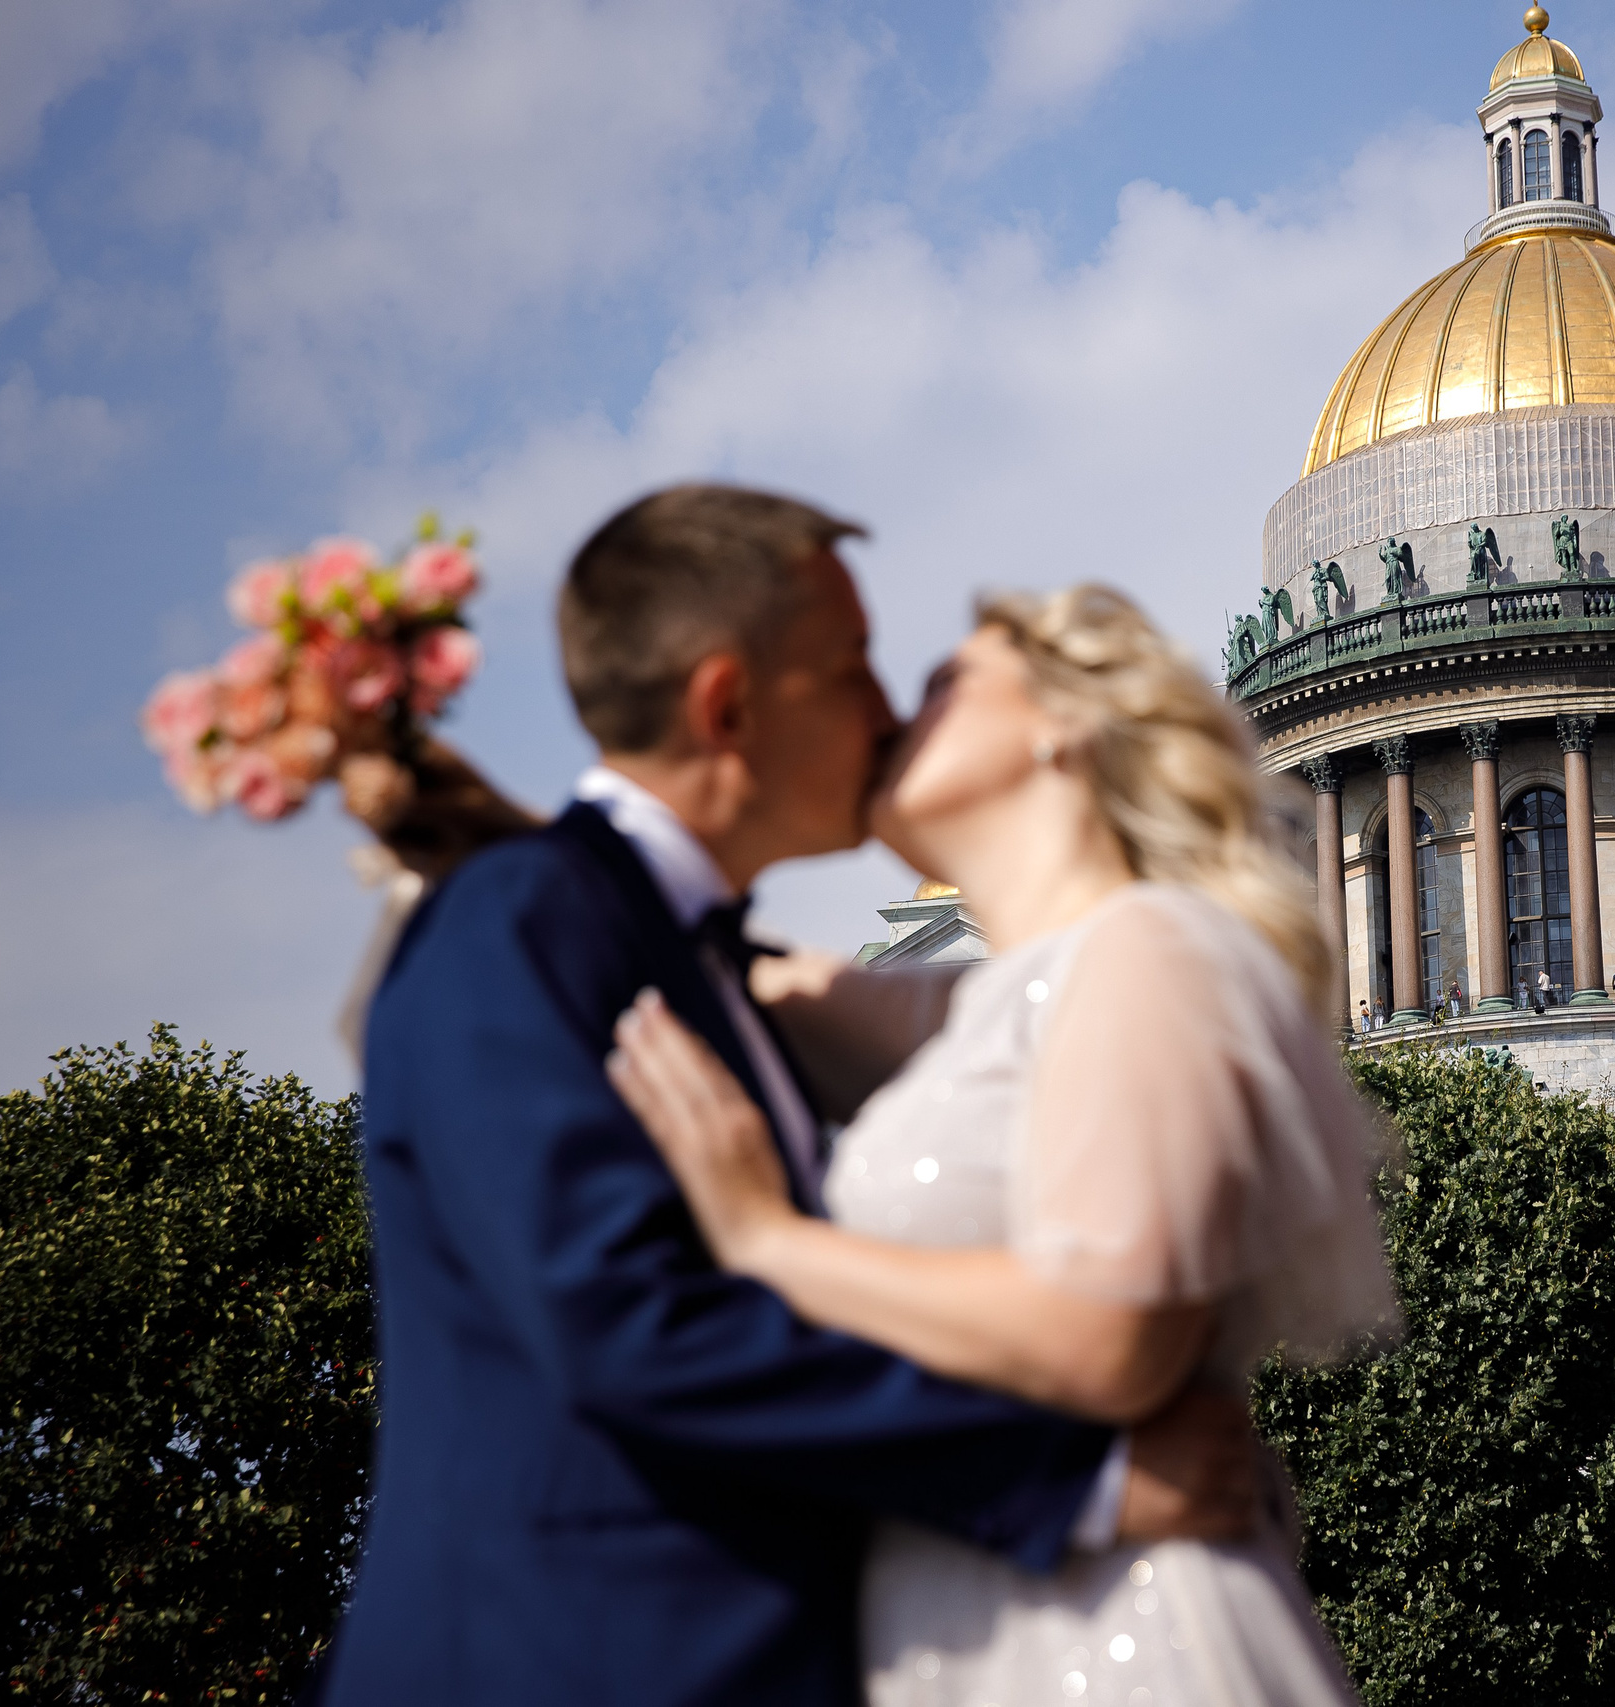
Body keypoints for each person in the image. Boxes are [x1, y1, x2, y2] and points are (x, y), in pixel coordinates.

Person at [323, 489, 1259, 1707]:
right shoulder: (524, 917)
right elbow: (630, 1321)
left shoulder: (660, 943)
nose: (884, 714)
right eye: (853, 666)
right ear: (729, 705)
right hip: (576, 1659)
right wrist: (1069, 1479)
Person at [607, 583, 1395, 1707]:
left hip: (1112, 1644)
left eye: (941, 683)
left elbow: (1114, 1340)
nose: (888, 715)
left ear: (1060, 724)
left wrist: (766, 1242)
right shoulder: (1012, 995)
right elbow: (717, 953)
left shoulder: (1155, 949)